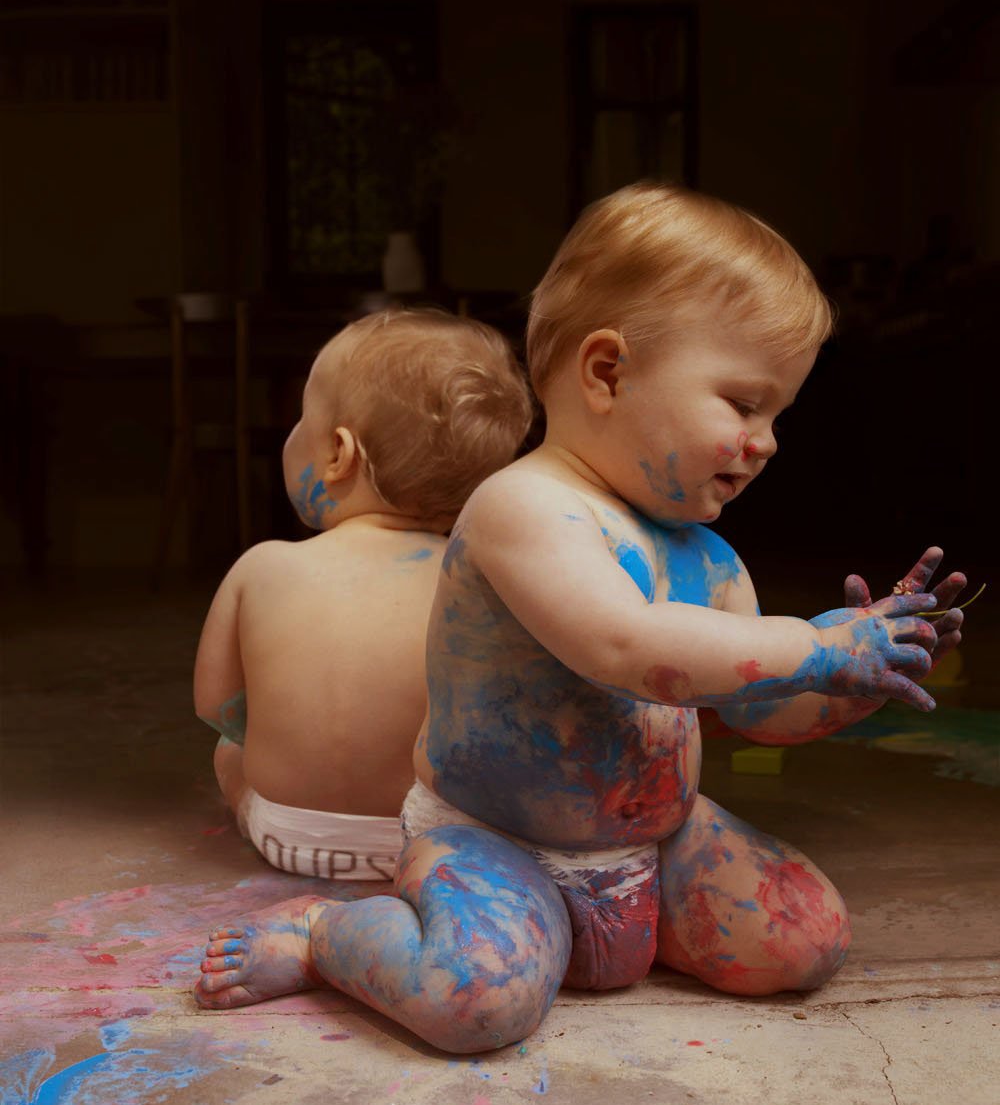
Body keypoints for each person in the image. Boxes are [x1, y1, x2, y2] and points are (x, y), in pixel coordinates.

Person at [193, 184, 967, 1052]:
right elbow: (623, 645)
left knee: (807, 940)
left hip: (659, 839)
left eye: (778, 415)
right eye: (744, 405)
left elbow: (760, 711)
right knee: (473, 1002)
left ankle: (612, 935)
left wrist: (859, 676)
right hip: (499, 844)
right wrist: (813, 645)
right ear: (607, 373)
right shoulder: (522, 509)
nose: (767, 441)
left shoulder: (710, 558)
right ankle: (324, 934)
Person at [193, 307, 533, 882]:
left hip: (289, 834)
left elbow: (215, 705)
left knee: (229, 751)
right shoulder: (483, 583)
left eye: (302, 419)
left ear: (338, 454)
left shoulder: (262, 566)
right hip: (434, 838)